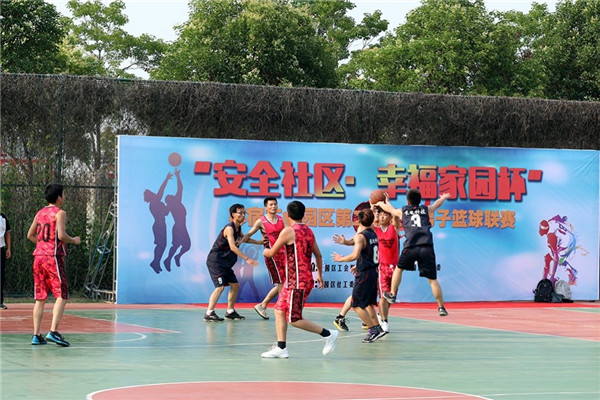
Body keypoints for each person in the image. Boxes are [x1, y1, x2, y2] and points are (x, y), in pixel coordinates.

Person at [261, 201, 338, 358]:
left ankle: (328, 334)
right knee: (279, 310)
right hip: (294, 280)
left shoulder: (288, 231)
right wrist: (320, 276)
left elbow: (272, 252)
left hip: (297, 282)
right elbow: (318, 255)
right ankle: (281, 348)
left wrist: (265, 250)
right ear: (303, 214)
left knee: (294, 319)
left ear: (288, 215)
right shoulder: (309, 231)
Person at [377, 189, 450, 316]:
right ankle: (441, 307)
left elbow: (390, 209)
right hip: (426, 247)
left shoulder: (404, 211)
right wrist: (443, 197)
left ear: (408, 201)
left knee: (399, 269)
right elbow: (436, 204)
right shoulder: (426, 209)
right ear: (420, 201)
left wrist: (381, 203)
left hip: (411, 246)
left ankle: (392, 294)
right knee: (432, 280)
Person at [26, 184, 81, 346]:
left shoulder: (40, 213)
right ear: (59, 197)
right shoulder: (59, 213)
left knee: (40, 297)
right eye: (63, 194)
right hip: (53, 258)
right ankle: (53, 331)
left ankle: (36, 335)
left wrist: (42, 245)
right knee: (62, 295)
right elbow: (61, 235)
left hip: (38, 258)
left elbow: (30, 235)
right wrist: (74, 240)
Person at [332, 207, 400, 333]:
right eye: (377, 213)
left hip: (374, 269)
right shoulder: (373, 231)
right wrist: (346, 243)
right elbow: (358, 243)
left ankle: (374, 325)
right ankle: (377, 324)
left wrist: (344, 259)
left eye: (382, 214)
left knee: (365, 301)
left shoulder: (375, 231)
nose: (380, 216)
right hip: (375, 269)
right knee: (364, 300)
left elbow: (360, 248)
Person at [204, 204, 261, 321]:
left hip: (226, 264)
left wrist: (260, 242)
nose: (243, 215)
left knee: (235, 285)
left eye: (244, 213)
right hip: (216, 262)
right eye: (240, 213)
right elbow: (233, 247)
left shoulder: (238, 228)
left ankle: (230, 312)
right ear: (233, 215)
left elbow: (244, 239)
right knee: (220, 287)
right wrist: (247, 259)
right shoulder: (229, 228)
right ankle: (209, 313)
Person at [241, 197, 286, 320]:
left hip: (284, 255)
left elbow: (289, 233)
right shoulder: (261, 221)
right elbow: (248, 235)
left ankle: (263, 305)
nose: (273, 206)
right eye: (271, 205)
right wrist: (240, 241)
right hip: (271, 256)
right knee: (281, 282)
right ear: (266, 207)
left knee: (283, 283)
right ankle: (281, 309)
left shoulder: (282, 219)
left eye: (275, 204)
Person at [143, 172, 172, 274]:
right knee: (161, 245)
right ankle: (155, 262)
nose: (153, 193)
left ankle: (156, 262)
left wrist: (169, 205)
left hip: (162, 225)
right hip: (159, 225)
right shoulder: (154, 202)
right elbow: (161, 190)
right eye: (151, 193)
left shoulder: (157, 203)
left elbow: (166, 213)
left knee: (162, 245)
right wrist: (166, 179)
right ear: (150, 196)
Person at [164, 168, 191, 271]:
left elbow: (180, 188)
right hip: (178, 228)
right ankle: (168, 260)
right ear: (169, 200)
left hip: (182, 227)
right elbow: (165, 213)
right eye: (170, 197)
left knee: (187, 246)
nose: (172, 195)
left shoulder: (177, 200)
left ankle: (177, 257)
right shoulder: (171, 205)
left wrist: (178, 176)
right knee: (175, 245)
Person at [0, 212, 12, 309]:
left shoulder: (3, 217)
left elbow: (7, 233)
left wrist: (8, 248)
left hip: (1, 249)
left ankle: (0, 301)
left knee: (1, 276)